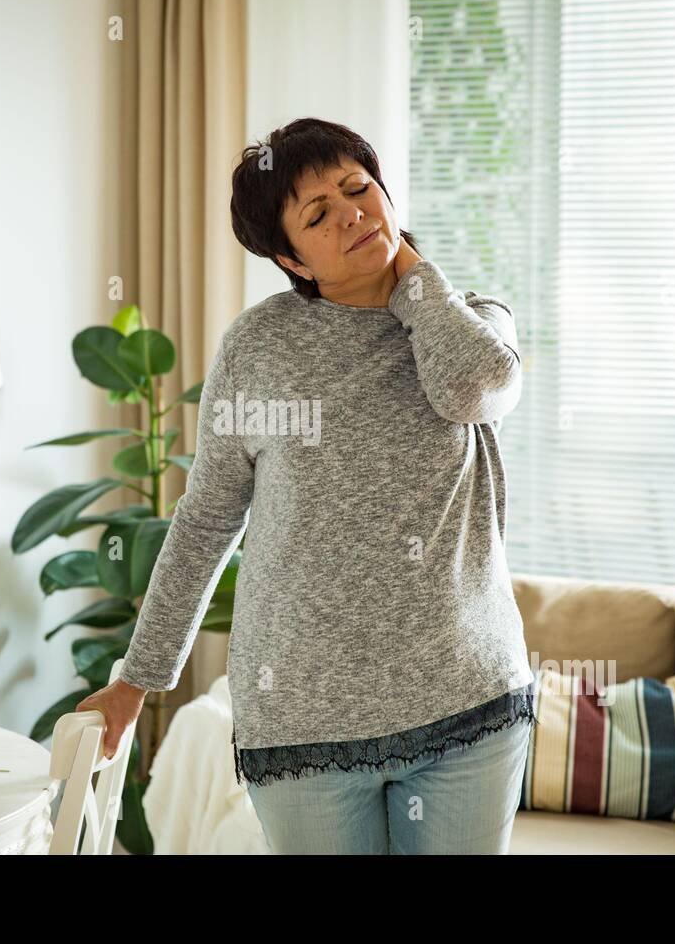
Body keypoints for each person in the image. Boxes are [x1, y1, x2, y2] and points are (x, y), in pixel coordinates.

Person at [77, 117, 537, 854]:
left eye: (360, 189)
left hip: (468, 708)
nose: (352, 212)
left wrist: (413, 282)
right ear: (291, 256)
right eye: (319, 214)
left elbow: (472, 388)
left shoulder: (474, 322)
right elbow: (205, 522)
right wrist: (138, 679)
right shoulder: (259, 348)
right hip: (304, 728)